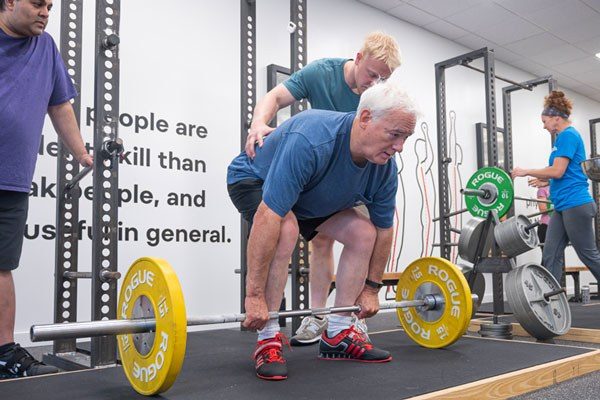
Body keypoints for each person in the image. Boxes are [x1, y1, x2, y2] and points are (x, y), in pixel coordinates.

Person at [227, 70, 417, 380]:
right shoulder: (312, 138)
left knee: (362, 232)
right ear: (365, 118)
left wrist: (371, 289)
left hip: (309, 194)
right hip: (254, 179)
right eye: (394, 134)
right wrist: (254, 296)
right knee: (286, 228)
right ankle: (268, 337)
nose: (400, 146)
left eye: (405, 137)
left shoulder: (384, 168)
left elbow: (384, 231)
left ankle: (339, 333)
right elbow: (269, 216)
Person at [245, 31, 401, 346]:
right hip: (318, 162)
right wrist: (258, 124)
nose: (375, 83)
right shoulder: (322, 72)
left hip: (353, 172)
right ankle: (317, 316)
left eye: (383, 79)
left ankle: (346, 321)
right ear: (358, 59)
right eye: (371, 74)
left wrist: (372, 288)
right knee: (319, 242)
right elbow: (275, 96)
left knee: (363, 234)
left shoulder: (377, 97)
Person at [0, 0, 93, 378]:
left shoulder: (46, 47)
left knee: (2, 267)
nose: (45, 12)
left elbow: (60, 106)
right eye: (37, 4)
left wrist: (81, 153)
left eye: (50, 6)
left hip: (11, 179)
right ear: (9, 2)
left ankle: (4, 354)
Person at [512, 91, 600, 286]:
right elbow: (566, 173)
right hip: (561, 206)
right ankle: (548, 301)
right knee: (550, 254)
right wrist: (547, 182)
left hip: (575, 204)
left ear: (556, 118)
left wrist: (528, 171)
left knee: (588, 256)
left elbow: (558, 171)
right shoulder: (561, 138)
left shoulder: (568, 136)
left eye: (545, 121)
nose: (544, 126)